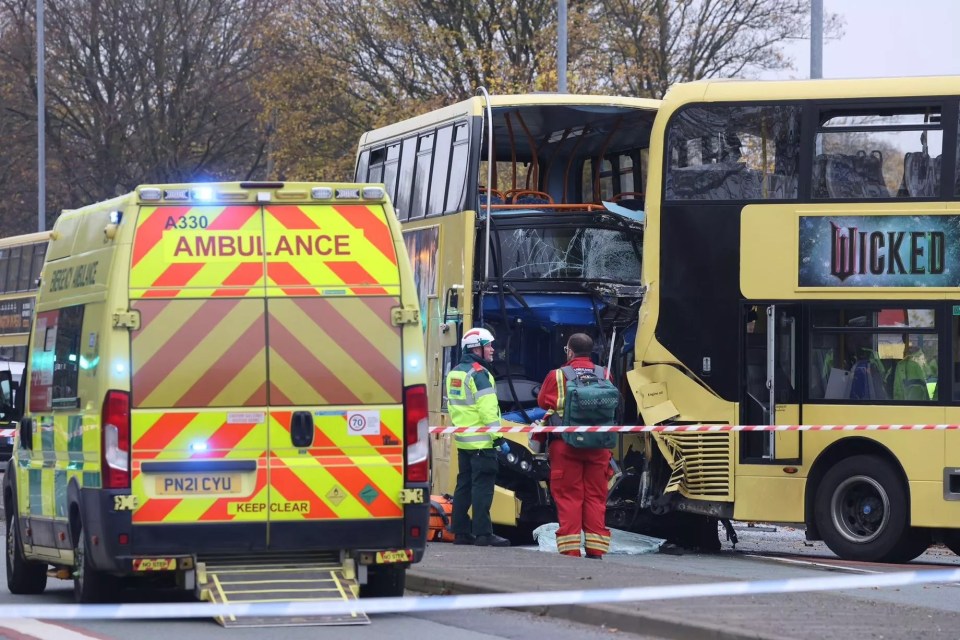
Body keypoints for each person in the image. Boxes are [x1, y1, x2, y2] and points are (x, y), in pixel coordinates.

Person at [536, 333, 612, 559]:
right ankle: (596, 549)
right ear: (591, 352)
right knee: (596, 497)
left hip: (565, 445)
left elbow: (542, 402)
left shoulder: (557, 376)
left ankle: (570, 550)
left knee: (570, 497)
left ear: (569, 351)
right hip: (599, 445)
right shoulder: (604, 374)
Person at [445, 327, 510, 547]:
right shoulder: (479, 374)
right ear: (477, 348)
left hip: (464, 440)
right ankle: (483, 533)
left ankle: (460, 531)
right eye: (489, 345)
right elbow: (488, 411)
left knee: (463, 485)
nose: (492, 349)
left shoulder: (455, 372)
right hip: (483, 442)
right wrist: (499, 438)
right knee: (482, 486)